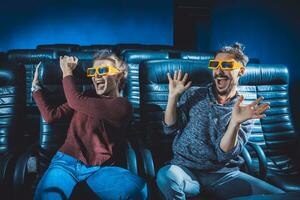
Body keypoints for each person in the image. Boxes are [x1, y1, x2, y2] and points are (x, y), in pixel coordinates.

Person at [156, 43, 285, 199]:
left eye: (226, 65)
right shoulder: (193, 94)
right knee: (166, 176)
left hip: (224, 175)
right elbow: (169, 127)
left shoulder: (246, 111)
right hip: (185, 170)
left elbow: (224, 155)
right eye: (215, 65)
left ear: (241, 71)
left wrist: (235, 123)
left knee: (279, 196)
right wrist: (172, 97)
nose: (219, 70)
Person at [32, 51, 148, 199]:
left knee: (137, 189)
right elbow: (51, 117)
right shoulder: (86, 96)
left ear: (120, 75)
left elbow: (75, 101)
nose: (96, 76)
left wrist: (67, 71)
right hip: (65, 163)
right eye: (93, 72)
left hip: (100, 169)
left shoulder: (123, 106)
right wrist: (36, 89)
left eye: (103, 70)